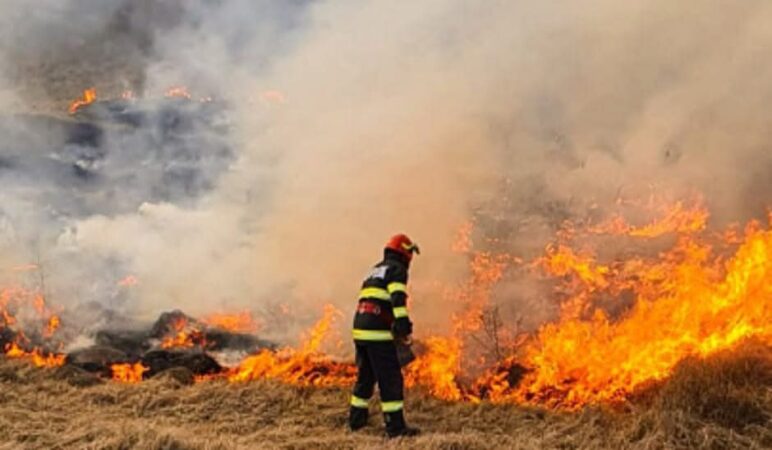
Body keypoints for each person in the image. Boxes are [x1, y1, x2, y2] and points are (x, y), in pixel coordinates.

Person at [348, 233, 421, 438]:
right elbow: (398, 299)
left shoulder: (375, 270)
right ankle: (396, 428)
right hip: (376, 331)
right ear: (404, 252)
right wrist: (404, 327)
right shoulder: (397, 270)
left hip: (360, 328)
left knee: (365, 377)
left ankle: (356, 420)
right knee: (390, 379)